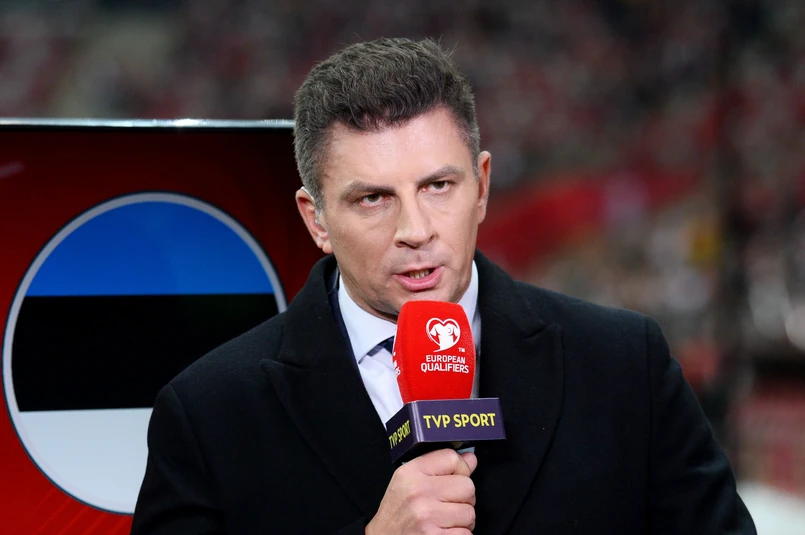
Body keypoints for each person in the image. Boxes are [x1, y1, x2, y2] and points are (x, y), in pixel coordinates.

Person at [130, 37, 756, 534]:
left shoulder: (624, 365)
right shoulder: (209, 413)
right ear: (315, 219)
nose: (415, 230)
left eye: (438, 186)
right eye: (374, 199)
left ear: (481, 187)